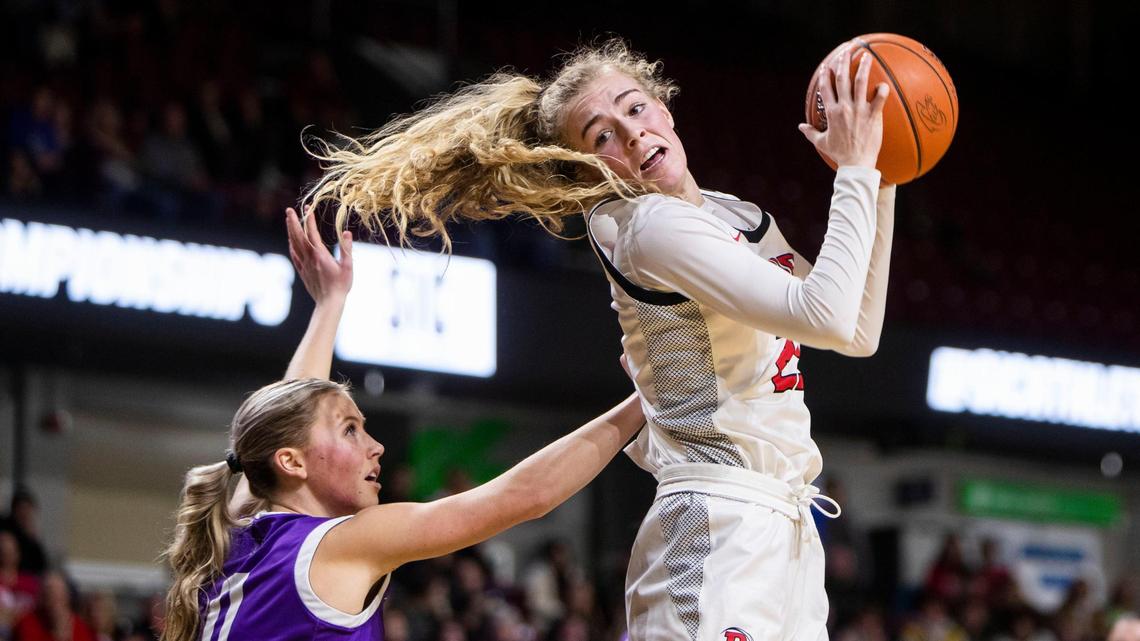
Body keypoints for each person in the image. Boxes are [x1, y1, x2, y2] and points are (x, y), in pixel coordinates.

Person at [303, 38, 892, 641]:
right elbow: (825, 313)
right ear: (588, 169)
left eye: (634, 109)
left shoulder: (734, 214)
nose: (631, 134)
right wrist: (856, 170)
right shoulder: (645, 227)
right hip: (717, 524)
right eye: (601, 136)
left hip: (787, 527)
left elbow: (857, 331)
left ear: (665, 108)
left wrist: (885, 175)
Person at [160, 209, 644, 641]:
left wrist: (330, 303)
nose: (376, 447)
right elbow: (522, 497)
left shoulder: (238, 526)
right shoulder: (339, 544)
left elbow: (291, 418)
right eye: (350, 429)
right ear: (291, 463)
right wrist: (644, 401)